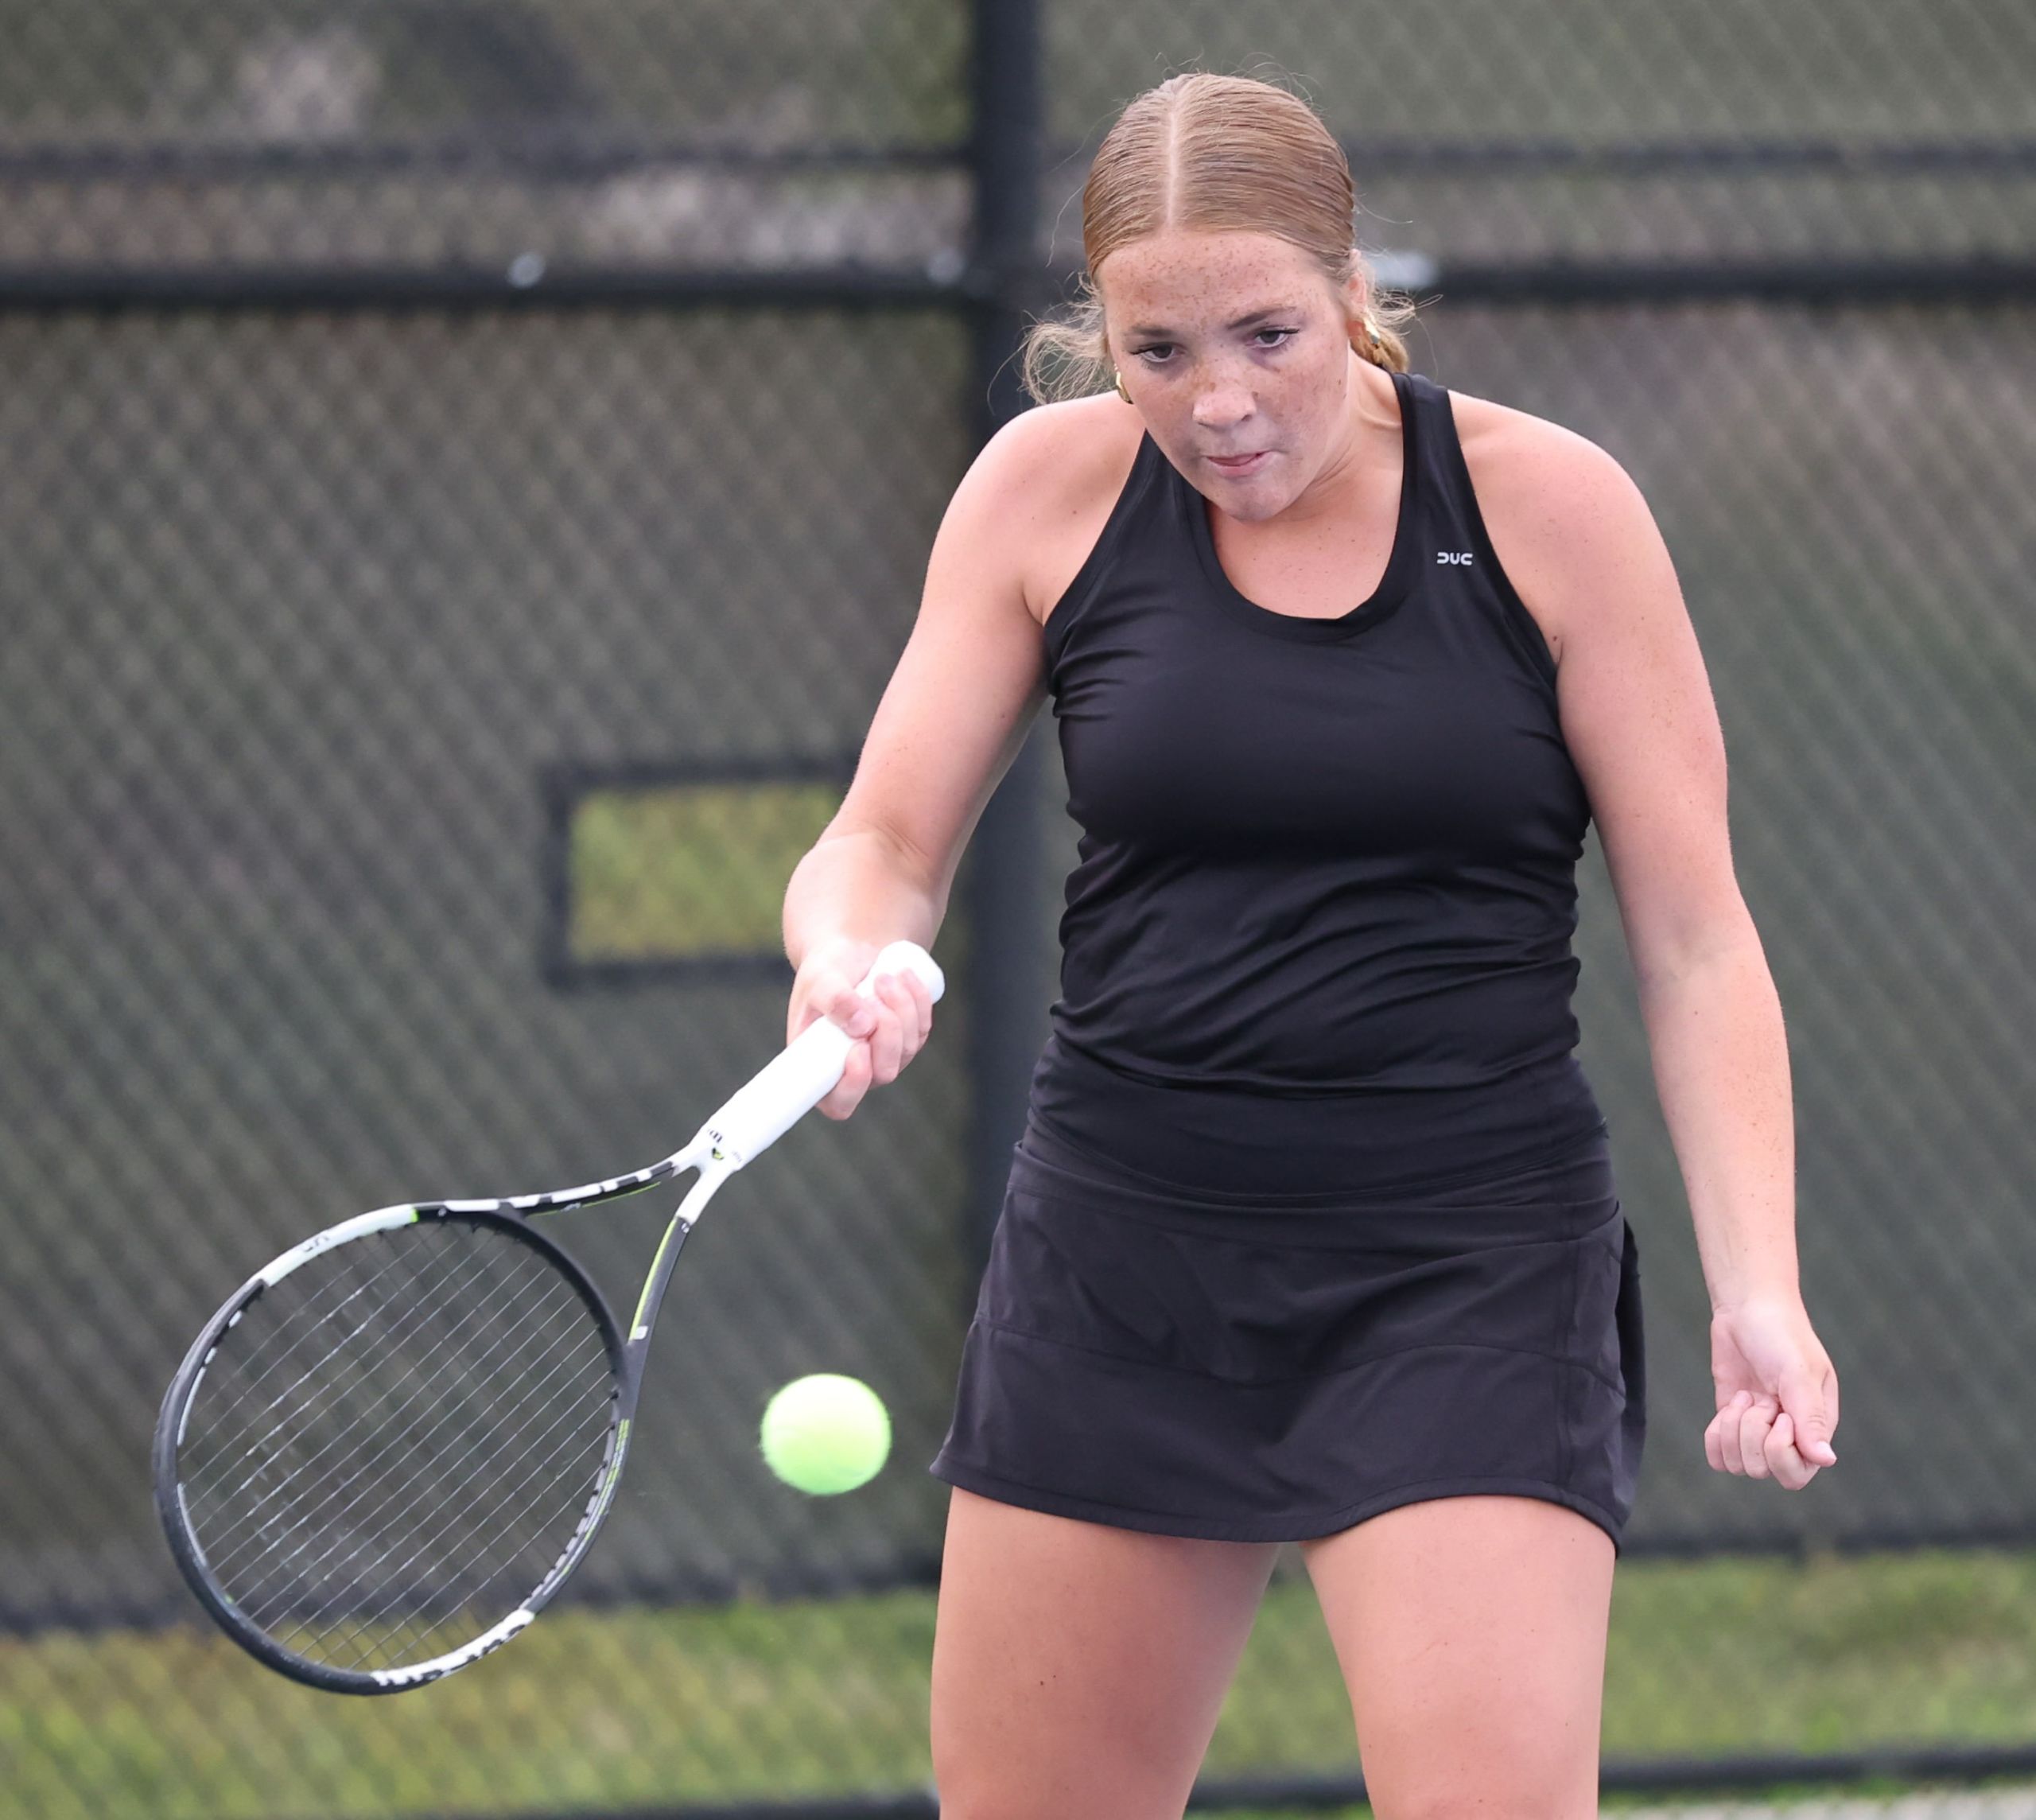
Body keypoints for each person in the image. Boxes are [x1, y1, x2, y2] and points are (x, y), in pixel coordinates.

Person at [779, 69, 1840, 1820]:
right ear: (1099, 336)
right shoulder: (1042, 494)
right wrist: (840, 954)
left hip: (1464, 1265)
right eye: (1157, 350)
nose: (1218, 402)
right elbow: (880, 847)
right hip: (1121, 1256)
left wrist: (1759, 1290)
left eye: (1265, 335)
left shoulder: (1552, 510)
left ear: (1353, 293)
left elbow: (1696, 939)